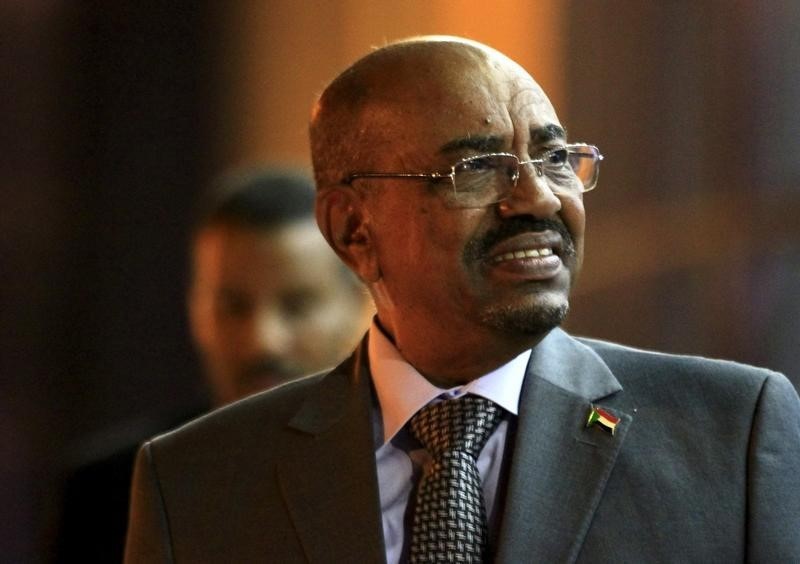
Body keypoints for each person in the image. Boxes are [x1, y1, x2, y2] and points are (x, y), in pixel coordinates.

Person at [124, 37, 800, 563]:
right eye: (477, 169)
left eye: (555, 157)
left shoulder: (731, 435)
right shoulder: (196, 483)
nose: (538, 197)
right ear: (352, 229)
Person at [56, 168, 371, 563]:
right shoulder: (108, 492)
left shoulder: (407, 475)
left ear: (358, 306)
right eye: (233, 306)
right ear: (195, 311)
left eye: (297, 305)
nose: (262, 339)